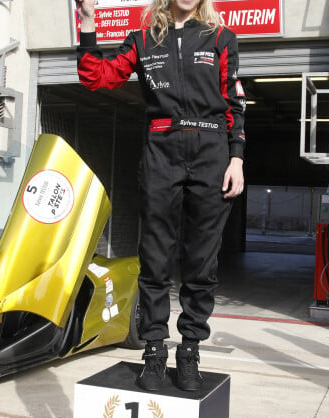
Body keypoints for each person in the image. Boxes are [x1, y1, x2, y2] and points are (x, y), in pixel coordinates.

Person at [76, 0, 245, 391]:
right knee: (154, 257)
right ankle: (153, 350)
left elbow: (235, 102)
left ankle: (190, 350)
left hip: (211, 148)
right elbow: (97, 78)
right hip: (161, 146)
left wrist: (235, 158)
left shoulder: (220, 38)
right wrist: (87, 22)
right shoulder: (141, 40)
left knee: (201, 260)